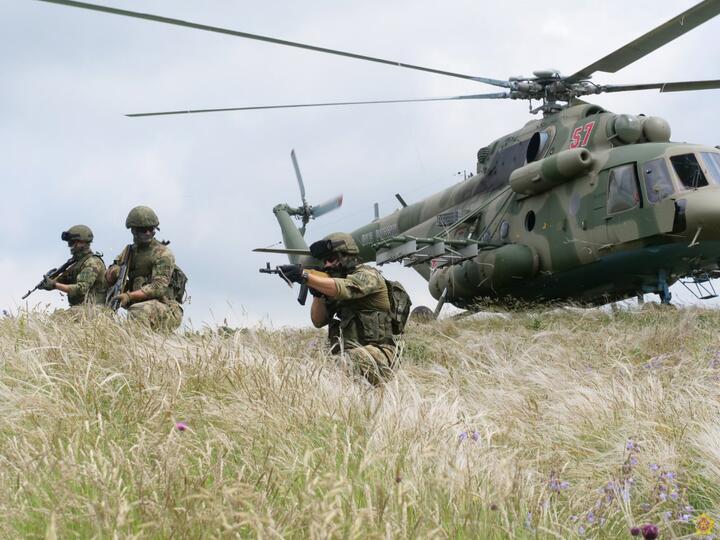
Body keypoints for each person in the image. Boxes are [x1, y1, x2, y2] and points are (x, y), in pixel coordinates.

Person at [279, 232, 399, 385]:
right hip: (350, 354)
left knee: (336, 368)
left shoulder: (368, 275)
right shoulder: (333, 286)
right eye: (324, 261)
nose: (327, 265)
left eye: (331, 259)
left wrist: (305, 277)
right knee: (313, 369)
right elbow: (318, 320)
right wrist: (317, 294)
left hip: (380, 353)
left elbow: (344, 288)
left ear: (346, 255)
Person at [105, 206, 183, 331]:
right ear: (133, 231)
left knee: (138, 311)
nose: (148, 233)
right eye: (143, 230)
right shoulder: (128, 252)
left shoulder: (163, 254)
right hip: (140, 304)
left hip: (167, 308)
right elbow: (108, 276)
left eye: (151, 229)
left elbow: (159, 287)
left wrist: (129, 296)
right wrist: (114, 272)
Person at [40, 224, 107, 307]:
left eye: (72, 243)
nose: (70, 246)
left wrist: (55, 285)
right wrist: (50, 282)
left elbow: (81, 289)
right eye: (70, 243)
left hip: (93, 309)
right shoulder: (77, 262)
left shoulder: (92, 263)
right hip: (80, 308)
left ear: (82, 242)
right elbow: (65, 279)